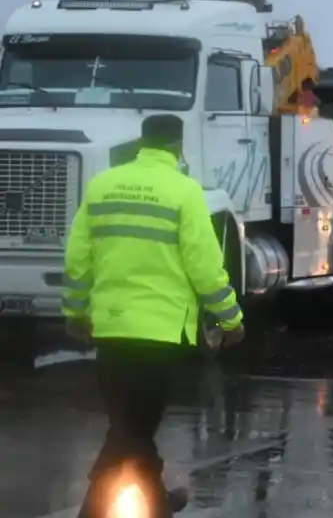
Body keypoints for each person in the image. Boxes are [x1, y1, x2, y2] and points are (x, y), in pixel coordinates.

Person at [62, 114, 246, 518]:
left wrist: (75, 312)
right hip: (158, 333)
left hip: (110, 328)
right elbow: (205, 265)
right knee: (134, 428)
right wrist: (230, 319)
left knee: (127, 425)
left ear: (141, 142)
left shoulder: (103, 185)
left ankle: (157, 500)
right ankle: (118, 509)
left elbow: (78, 258)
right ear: (178, 147)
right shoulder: (185, 192)